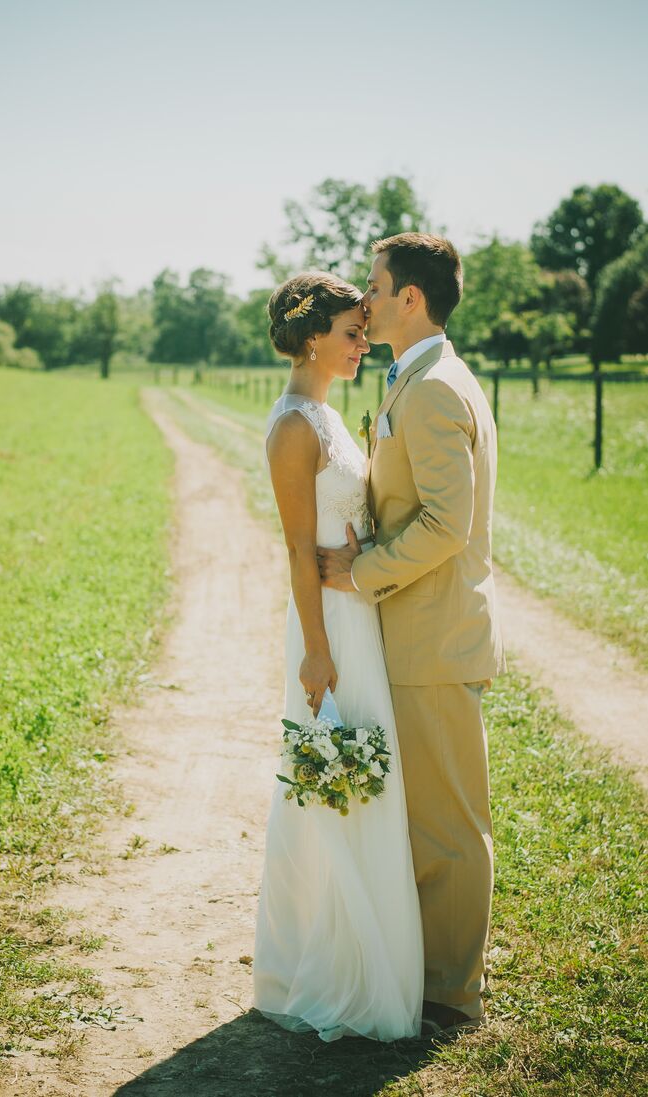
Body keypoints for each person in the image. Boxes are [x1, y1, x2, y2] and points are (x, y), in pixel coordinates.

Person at [317, 233, 506, 1036]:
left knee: (449, 826)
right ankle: (429, 972)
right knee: (426, 815)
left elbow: (444, 525)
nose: (364, 296)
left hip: (433, 638)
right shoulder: (416, 377)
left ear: (410, 299)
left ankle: (451, 995)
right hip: (417, 636)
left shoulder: (431, 389)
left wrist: (359, 574)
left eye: (374, 283)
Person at [252, 271, 424, 1042]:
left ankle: (368, 951)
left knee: (364, 774)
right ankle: (334, 964)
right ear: (312, 335)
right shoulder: (293, 426)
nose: (363, 343)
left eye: (364, 330)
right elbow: (295, 547)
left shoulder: (324, 413)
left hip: (357, 611)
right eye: (352, 332)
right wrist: (316, 652)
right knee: (337, 779)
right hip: (328, 630)